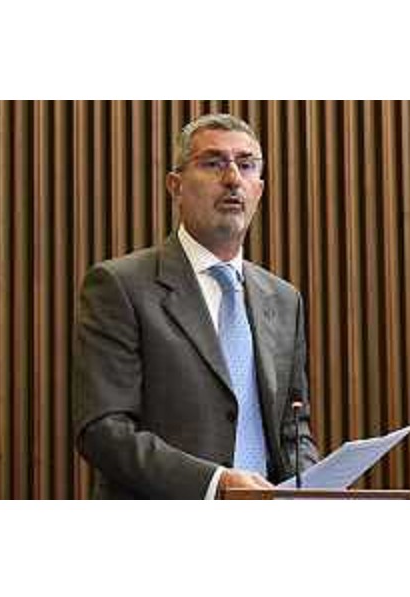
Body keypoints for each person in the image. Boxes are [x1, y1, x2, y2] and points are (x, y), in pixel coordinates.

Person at [73, 114, 319, 499]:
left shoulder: (284, 299)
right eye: (213, 163)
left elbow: (293, 429)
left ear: (259, 188)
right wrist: (215, 484)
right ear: (176, 186)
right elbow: (105, 431)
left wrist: (313, 489)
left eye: (246, 165)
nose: (233, 178)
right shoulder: (120, 286)